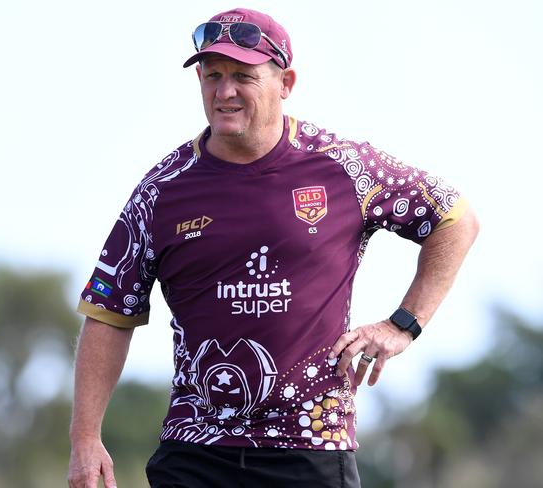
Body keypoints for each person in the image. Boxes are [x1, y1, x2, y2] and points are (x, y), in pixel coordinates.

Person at [67, 7, 479, 488]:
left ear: (285, 82)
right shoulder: (163, 190)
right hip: (196, 451)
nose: (225, 92)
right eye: (212, 75)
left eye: (243, 76)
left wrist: (403, 324)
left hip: (310, 449)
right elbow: (109, 312)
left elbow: (454, 219)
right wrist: (84, 438)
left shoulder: (343, 167)